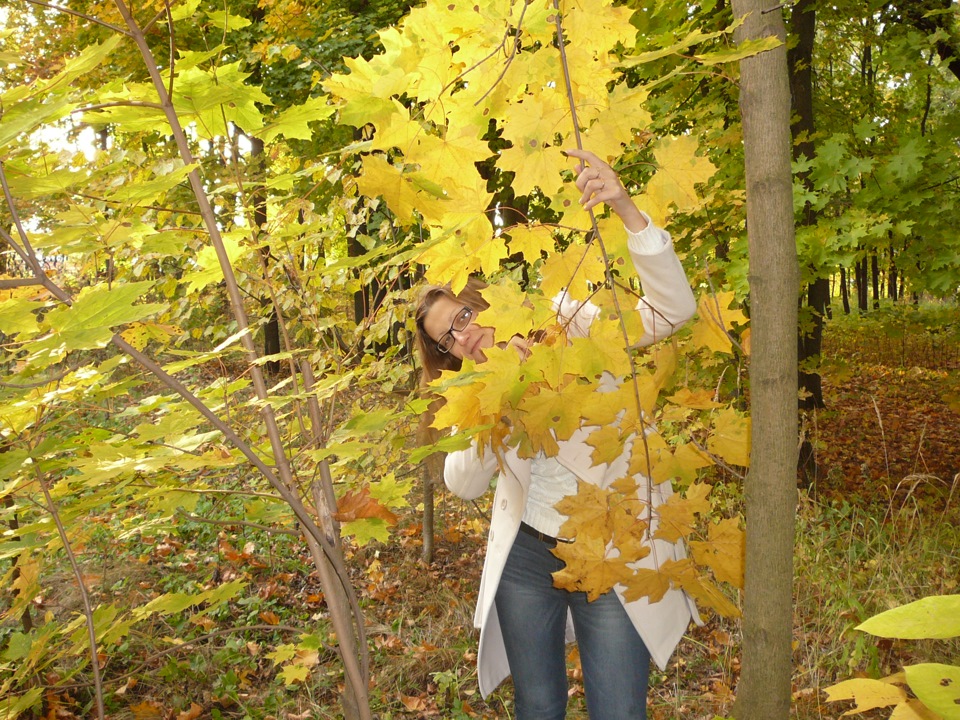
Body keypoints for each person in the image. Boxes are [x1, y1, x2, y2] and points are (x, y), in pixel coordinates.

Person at [415, 148, 700, 720]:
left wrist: (623, 207)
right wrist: (496, 403)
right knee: (538, 706)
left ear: (479, 298)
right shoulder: (472, 393)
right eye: (447, 339)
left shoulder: (564, 316)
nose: (462, 338)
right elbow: (463, 485)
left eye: (462, 317)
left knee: (619, 710)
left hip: (614, 545)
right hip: (528, 557)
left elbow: (672, 311)